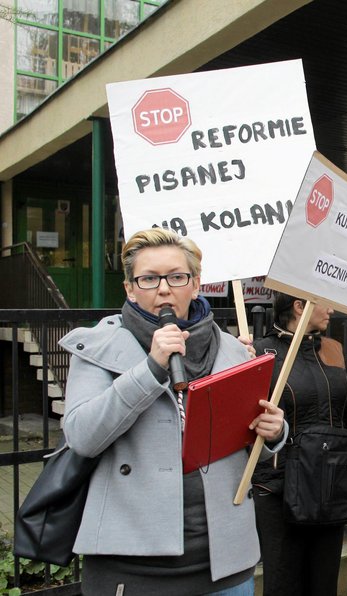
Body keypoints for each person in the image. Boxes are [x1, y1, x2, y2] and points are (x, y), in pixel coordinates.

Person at [60, 229, 288, 595]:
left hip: (224, 562)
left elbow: (244, 439)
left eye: (176, 277)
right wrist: (149, 369)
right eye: (149, 278)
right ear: (130, 289)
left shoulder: (233, 349)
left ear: (195, 284)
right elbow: (82, 437)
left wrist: (275, 430)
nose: (163, 289)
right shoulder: (99, 348)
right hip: (132, 565)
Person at [251, 292, 347, 596]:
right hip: (280, 489)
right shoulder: (262, 353)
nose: (331, 309)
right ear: (299, 306)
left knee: (323, 583)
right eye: (324, 302)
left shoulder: (332, 349)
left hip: (330, 485)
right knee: (283, 583)